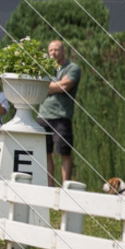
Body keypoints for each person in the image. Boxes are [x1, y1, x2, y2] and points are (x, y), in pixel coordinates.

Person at [36, 39, 82, 186]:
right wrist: (56, 85)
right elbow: (39, 86)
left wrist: (48, 86)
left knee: (64, 153)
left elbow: (65, 86)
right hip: (43, 116)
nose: (53, 53)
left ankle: (66, 188)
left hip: (61, 117)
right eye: (50, 50)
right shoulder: (45, 69)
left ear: (63, 51)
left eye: (56, 50)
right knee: (45, 153)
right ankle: (50, 187)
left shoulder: (73, 68)